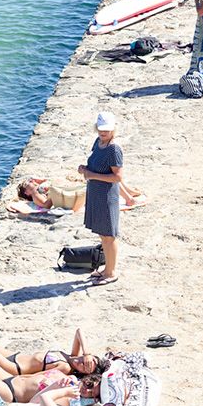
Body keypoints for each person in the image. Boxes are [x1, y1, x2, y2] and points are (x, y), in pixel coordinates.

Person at [79, 112, 126, 287]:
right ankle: (107, 269)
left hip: (107, 196)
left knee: (109, 235)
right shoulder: (98, 143)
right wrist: (85, 169)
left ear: (113, 129)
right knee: (102, 234)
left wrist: (92, 174)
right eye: (100, 129)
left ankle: (111, 272)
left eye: (106, 130)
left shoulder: (114, 149)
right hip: (95, 193)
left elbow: (117, 177)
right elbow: (94, 165)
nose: (103, 132)